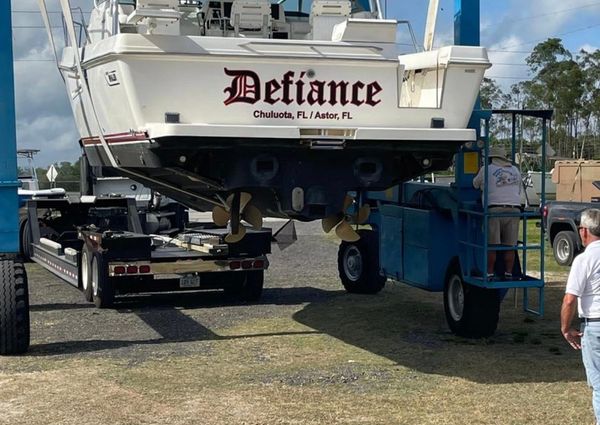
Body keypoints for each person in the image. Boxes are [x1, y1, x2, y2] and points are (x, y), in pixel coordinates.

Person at [561, 208, 600, 425]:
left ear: (584, 231)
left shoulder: (584, 260)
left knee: (598, 384)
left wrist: (566, 329)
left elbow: (569, 299)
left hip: (594, 325)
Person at [472, 146, 522, 280]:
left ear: (490, 158)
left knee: (492, 244)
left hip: (494, 210)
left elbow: (475, 184)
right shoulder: (515, 170)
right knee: (510, 244)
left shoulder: (486, 169)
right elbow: (518, 190)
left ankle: (489, 273)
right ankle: (508, 273)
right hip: (514, 209)